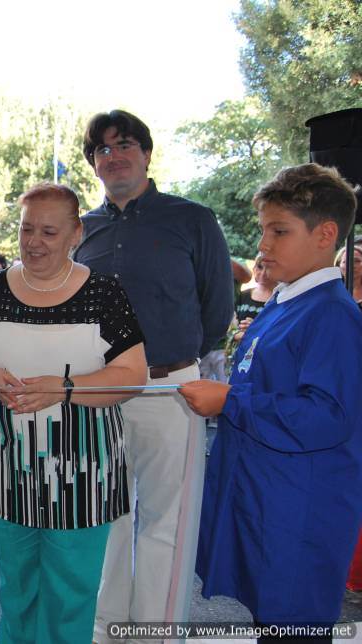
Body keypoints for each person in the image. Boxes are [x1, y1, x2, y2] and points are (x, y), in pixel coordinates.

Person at [180, 163, 362, 638]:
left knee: (294, 626)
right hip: (266, 500)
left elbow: (327, 415)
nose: (263, 245)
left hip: (299, 513)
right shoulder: (286, 303)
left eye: (279, 231)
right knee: (271, 622)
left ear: (325, 235)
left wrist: (229, 402)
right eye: (264, 230)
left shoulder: (332, 316)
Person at [73, 109, 234, 640]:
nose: (112, 156)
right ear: (93, 163)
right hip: (100, 394)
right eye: (101, 149)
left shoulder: (193, 219)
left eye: (124, 145)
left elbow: (216, 310)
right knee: (106, 522)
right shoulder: (82, 229)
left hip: (171, 387)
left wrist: (177, 359)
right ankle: (108, 630)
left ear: (146, 152)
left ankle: (157, 635)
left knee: (169, 522)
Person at [0, 182, 147, 644]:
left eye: (49, 232)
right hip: (9, 470)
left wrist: (67, 388)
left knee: (70, 597)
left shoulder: (104, 293)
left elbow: (134, 375)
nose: (34, 241)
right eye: (26, 229)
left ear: (76, 233)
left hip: (85, 476)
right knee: (16, 593)